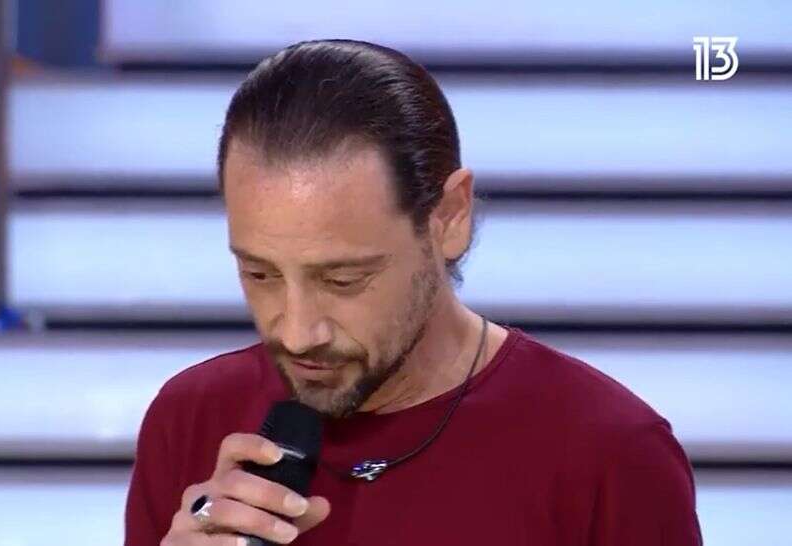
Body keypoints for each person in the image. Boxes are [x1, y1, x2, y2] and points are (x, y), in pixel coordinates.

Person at [124, 39, 702, 546]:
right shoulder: (191, 419)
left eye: (342, 280)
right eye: (260, 274)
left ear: (449, 217)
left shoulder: (609, 452)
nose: (297, 333)